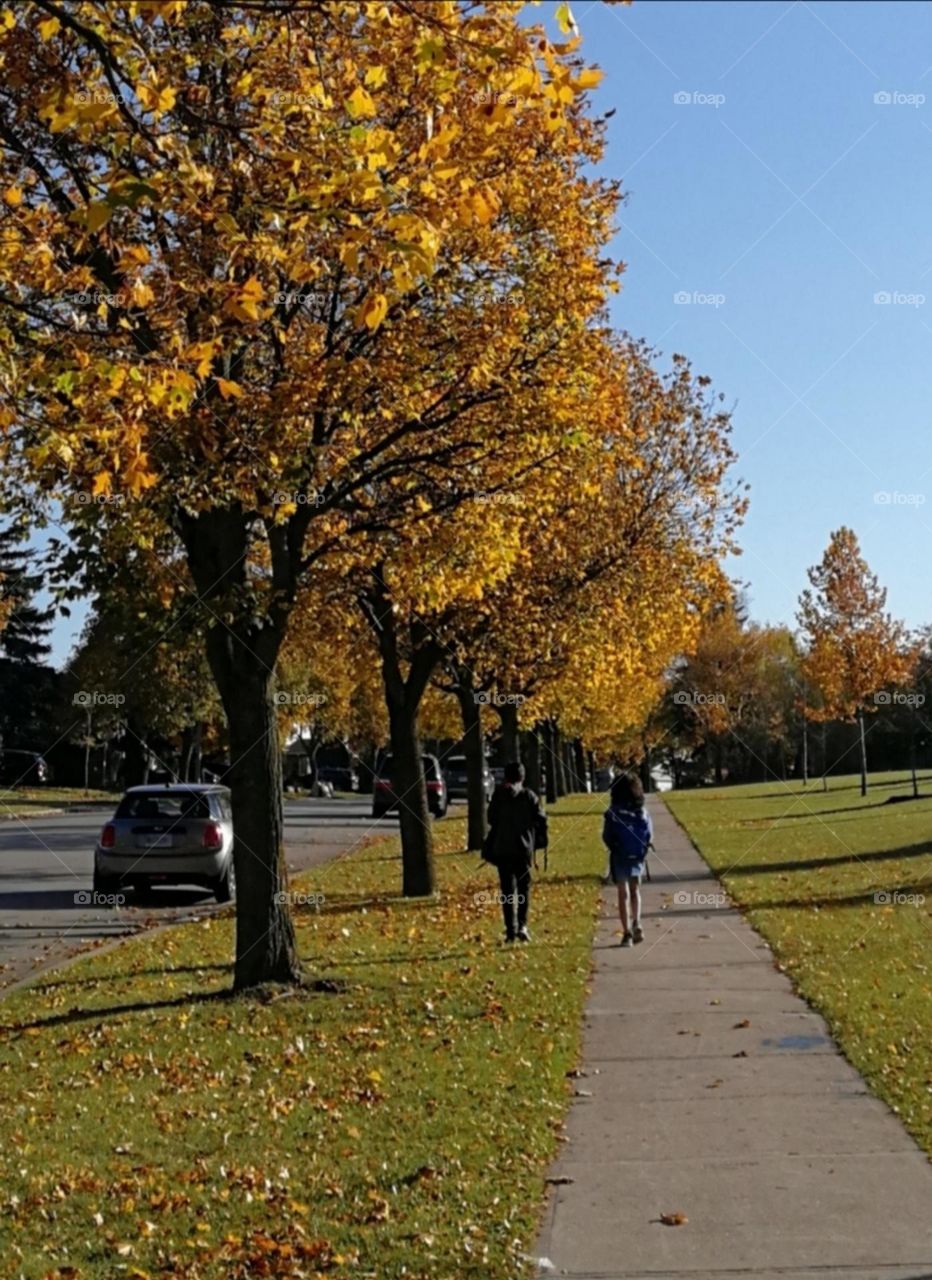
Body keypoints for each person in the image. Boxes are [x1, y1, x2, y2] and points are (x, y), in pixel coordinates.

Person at [486, 761, 546, 943]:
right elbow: (541, 818)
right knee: (523, 889)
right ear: (522, 777)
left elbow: (491, 819)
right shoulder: (529, 796)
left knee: (507, 890)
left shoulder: (499, 796)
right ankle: (522, 925)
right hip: (523, 848)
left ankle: (510, 930)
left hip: (503, 849)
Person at [602, 772, 651, 947]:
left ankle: (627, 933)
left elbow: (606, 836)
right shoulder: (642, 812)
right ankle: (637, 921)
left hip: (619, 855)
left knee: (623, 894)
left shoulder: (613, 813)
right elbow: (649, 835)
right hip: (637, 856)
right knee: (635, 890)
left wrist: (613, 846)